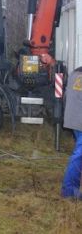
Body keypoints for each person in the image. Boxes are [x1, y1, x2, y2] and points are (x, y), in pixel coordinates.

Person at [61, 66, 82, 200]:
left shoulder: (75, 73)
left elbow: (66, 97)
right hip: (79, 121)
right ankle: (69, 191)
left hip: (73, 119)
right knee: (79, 155)